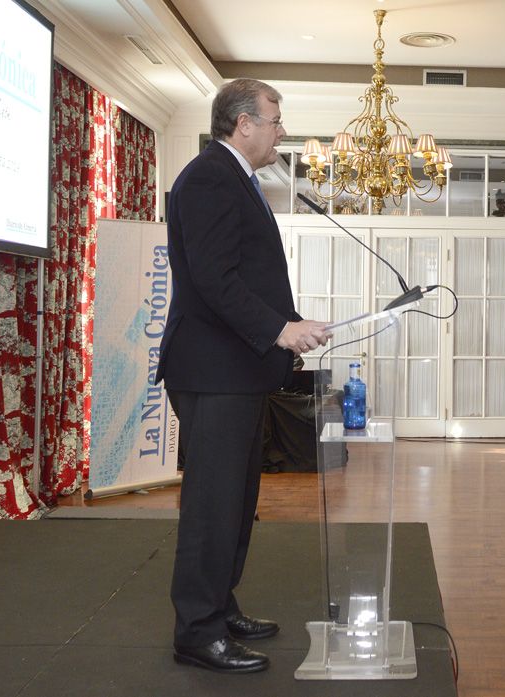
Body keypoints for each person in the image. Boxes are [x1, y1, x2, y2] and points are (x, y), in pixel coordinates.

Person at [156, 79, 332, 674]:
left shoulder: (235, 178)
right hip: (213, 370)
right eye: (276, 119)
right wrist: (280, 330)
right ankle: (197, 631)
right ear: (243, 124)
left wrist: (287, 328)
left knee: (236, 499)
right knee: (213, 503)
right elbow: (213, 278)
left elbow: (243, 277)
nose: (283, 130)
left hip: (237, 368)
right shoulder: (209, 176)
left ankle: (219, 606)